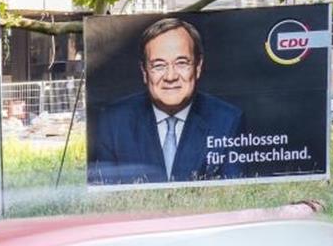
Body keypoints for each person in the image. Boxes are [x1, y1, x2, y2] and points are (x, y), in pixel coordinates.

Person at [89, 17, 244, 185]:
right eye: (158, 65)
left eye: (181, 63)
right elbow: (105, 195)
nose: (171, 77)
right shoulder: (113, 122)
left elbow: (232, 193)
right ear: (144, 71)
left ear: (198, 68)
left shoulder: (228, 120)